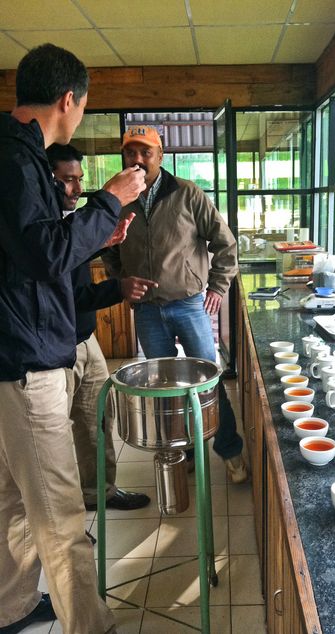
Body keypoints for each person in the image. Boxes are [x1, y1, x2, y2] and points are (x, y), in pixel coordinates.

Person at [0, 44, 146, 634]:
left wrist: (100, 234)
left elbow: (37, 255)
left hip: (18, 354)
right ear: (70, 101)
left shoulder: (21, 159)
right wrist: (111, 199)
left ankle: (9, 608)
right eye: (83, 107)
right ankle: (92, 625)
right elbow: (44, 254)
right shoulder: (15, 161)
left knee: (11, 500)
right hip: (24, 364)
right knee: (61, 515)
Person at [102, 125, 248, 484]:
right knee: (165, 390)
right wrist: (122, 284)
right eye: (130, 152)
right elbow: (108, 247)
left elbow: (226, 244)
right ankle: (183, 452)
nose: (137, 160)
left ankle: (229, 450)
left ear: (160, 156)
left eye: (145, 152)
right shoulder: (116, 198)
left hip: (188, 305)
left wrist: (217, 286)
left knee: (208, 383)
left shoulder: (187, 194)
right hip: (148, 312)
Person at [46, 142, 157, 511]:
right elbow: (69, 295)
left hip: (84, 338)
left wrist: (101, 243)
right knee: (55, 437)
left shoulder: (67, 222)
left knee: (96, 420)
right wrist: (119, 288)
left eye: (80, 179)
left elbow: (71, 266)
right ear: (45, 180)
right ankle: (66, 521)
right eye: (67, 180)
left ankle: (100, 493)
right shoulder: (39, 230)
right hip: (54, 349)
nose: (78, 189)